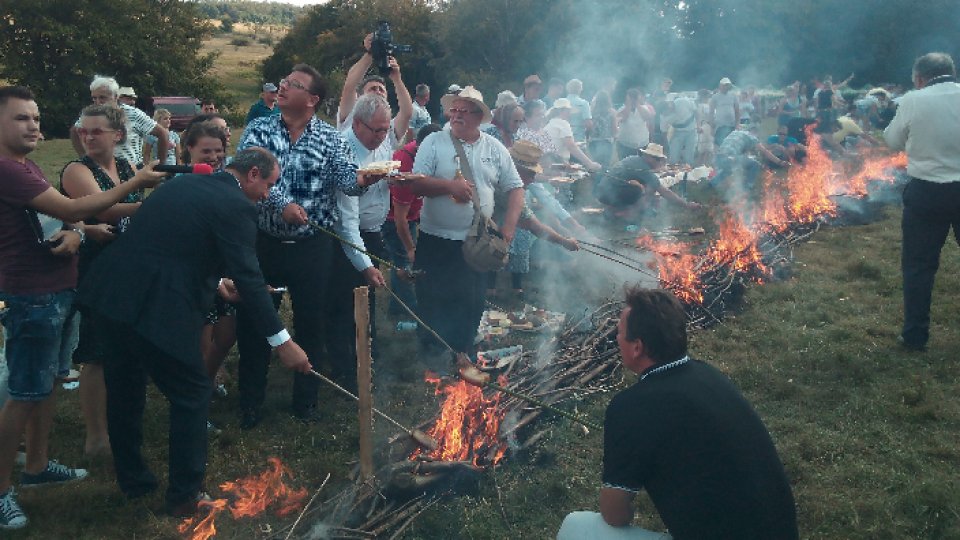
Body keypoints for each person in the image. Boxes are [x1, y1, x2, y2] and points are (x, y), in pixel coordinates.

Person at [78, 148, 311, 519]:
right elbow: (250, 278)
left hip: (111, 294)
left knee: (124, 389)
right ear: (252, 173)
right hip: (157, 304)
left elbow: (173, 244)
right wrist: (282, 342)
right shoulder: (237, 205)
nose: (267, 194)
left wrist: (217, 283)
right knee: (191, 392)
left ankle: (133, 480)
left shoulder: (182, 185)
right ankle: (185, 497)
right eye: (268, 185)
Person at [0, 86, 166, 531]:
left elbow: (57, 217)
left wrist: (77, 232)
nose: (33, 126)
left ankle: (37, 466)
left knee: (49, 383)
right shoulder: (8, 170)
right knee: (24, 394)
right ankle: (0, 490)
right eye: (21, 118)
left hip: (56, 287)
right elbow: (74, 205)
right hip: (32, 294)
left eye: (36, 118)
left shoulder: (26, 166)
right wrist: (136, 185)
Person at [557, 288, 798, 540]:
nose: (616, 338)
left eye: (619, 332)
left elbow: (614, 514)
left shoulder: (630, 407)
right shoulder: (708, 375)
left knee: (575, 527)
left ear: (637, 347)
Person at [234, 63, 385, 428]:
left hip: (312, 247)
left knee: (311, 323)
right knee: (255, 321)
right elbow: (245, 175)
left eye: (293, 84)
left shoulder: (330, 137)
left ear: (312, 99)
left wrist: (364, 179)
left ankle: (306, 401)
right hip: (264, 242)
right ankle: (250, 403)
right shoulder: (259, 128)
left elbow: (345, 180)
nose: (283, 87)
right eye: (284, 81)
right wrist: (280, 205)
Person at [409, 85, 526, 362]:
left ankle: (462, 350)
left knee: (471, 299)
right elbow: (416, 184)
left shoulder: (494, 148)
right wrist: (449, 186)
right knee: (431, 295)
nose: (457, 115)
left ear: (478, 117)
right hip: (435, 239)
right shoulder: (433, 142)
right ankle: (432, 356)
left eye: (464, 111)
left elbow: (516, 188)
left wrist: (508, 230)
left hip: (475, 241)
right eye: (454, 110)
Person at [60, 104, 147, 458]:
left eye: (97, 131)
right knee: (96, 352)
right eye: (84, 130)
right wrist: (152, 206)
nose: (88, 136)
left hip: (127, 266)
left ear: (118, 135)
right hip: (94, 269)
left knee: (124, 347)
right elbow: (103, 209)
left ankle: (120, 422)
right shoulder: (77, 170)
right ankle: (96, 438)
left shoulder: (125, 165)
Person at [884, 52, 960, 352]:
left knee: (919, 266)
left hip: (927, 192)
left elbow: (892, 140)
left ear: (919, 77)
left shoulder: (913, 100)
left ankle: (915, 336)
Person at [385, 123, 443, 316]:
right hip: (393, 219)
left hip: (412, 214)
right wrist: (410, 248)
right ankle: (409, 310)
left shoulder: (422, 153)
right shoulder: (406, 167)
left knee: (403, 261)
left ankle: (396, 307)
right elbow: (399, 218)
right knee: (404, 263)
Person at [70, 76, 168, 167]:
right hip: (102, 169)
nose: (98, 102)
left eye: (102, 98)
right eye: (94, 98)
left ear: (116, 97)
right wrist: (85, 158)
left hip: (130, 170)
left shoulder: (132, 113)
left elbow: (162, 133)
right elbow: (74, 131)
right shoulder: (92, 114)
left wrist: (160, 166)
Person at [593, 144, 700, 222]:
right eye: (657, 159)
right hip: (609, 195)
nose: (659, 162)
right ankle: (624, 214)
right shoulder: (643, 168)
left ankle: (615, 209)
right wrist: (686, 205)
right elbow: (664, 192)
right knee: (639, 190)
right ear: (649, 157)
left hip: (602, 191)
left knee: (644, 187)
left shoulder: (634, 159)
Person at [336, 32, 413, 138]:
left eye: (381, 90)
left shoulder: (389, 129)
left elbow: (407, 113)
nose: (377, 92)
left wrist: (397, 79)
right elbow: (350, 86)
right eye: (372, 89)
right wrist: (371, 52)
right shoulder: (351, 116)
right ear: (360, 96)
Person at [545, 98, 602, 171]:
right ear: (562, 111)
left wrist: (575, 144)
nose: (570, 114)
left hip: (550, 164)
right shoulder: (563, 123)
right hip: (558, 165)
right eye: (568, 111)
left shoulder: (550, 123)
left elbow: (559, 143)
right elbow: (571, 146)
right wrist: (590, 163)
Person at [616, 88, 654, 159]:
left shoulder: (644, 108)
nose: (633, 101)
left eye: (635, 99)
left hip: (643, 143)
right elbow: (623, 118)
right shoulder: (621, 110)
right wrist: (629, 105)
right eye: (631, 99)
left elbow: (647, 117)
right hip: (626, 145)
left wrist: (637, 105)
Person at [662, 93, 698, 166]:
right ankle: (672, 170)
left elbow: (696, 111)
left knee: (689, 156)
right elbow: (664, 132)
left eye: (670, 105)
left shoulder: (682, 101)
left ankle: (689, 170)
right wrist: (666, 145)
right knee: (673, 157)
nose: (670, 108)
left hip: (691, 131)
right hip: (677, 132)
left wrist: (699, 124)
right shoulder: (664, 118)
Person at [589, 90, 618, 169]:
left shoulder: (591, 111)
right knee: (605, 166)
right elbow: (614, 129)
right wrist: (615, 136)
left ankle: (596, 177)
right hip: (607, 142)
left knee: (596, 165)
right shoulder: (612, 112)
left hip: (593, 142)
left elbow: (589, 126)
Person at [709, 77, 739, 145]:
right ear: (720, 86)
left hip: (732, 124)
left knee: (731, 144)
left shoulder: (733, 96)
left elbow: (737, 111)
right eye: (725, 85)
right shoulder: (715, 97)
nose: (726, 87)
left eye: (727, 85)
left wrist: (737, 124)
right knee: (720, 144)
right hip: (720, 125)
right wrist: (712, 127)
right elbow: (711, 112)